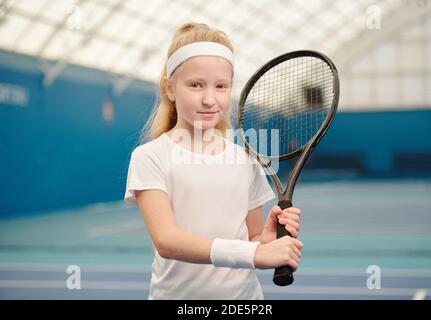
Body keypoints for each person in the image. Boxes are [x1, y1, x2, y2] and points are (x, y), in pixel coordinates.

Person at [124, 22, 303, 300]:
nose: (209, 99)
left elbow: (253, 238)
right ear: (170, 89)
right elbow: (167, 241)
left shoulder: (245, 158)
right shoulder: (149, 157)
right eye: (196, 85)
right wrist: (253, 253)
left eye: (221, 86)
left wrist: (265, 239)